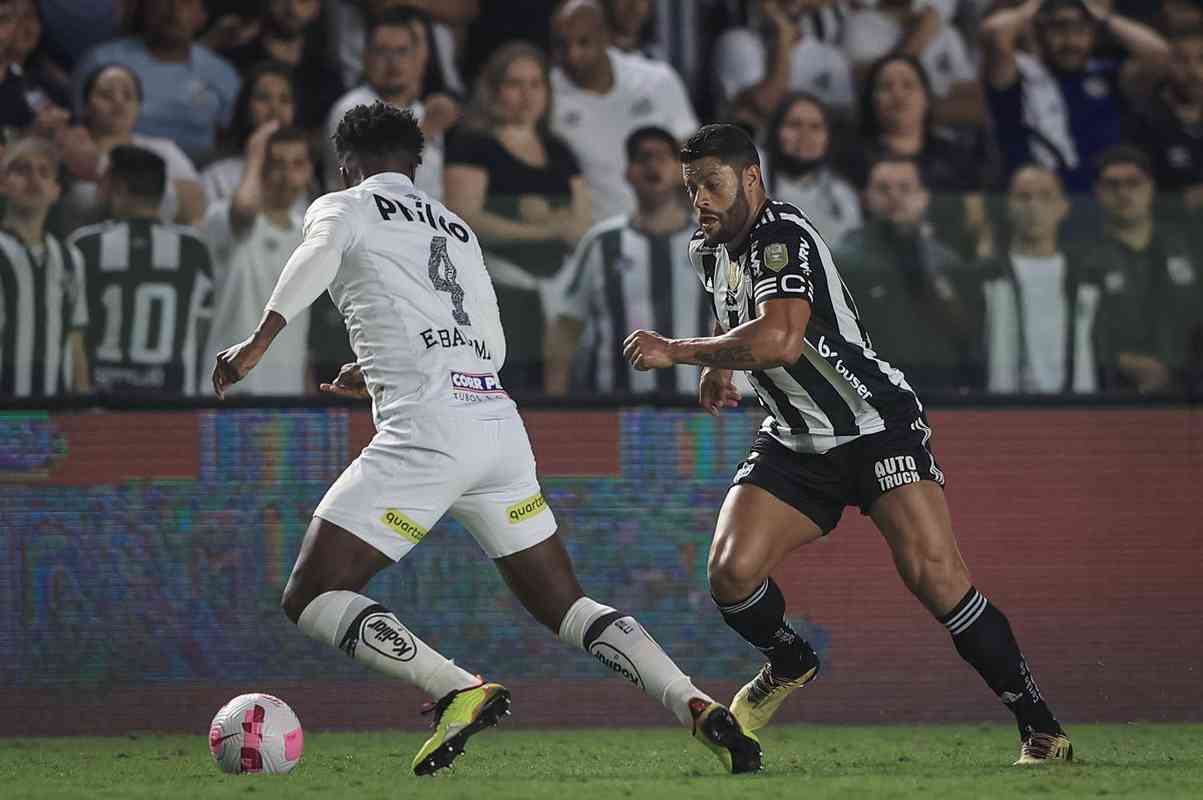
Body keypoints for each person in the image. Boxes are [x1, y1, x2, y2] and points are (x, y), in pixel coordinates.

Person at [209, 101, 761, 777]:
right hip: (498, 427)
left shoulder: (343, 204)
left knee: (312, 593)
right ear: (416, 165)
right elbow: (490, 347)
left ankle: (454, 688)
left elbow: (317, 256)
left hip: (428, 431)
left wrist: (260, 339)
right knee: (565, 603)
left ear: (345, 162)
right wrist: (380, 363)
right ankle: (693, 701)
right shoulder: (457, 229)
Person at [621, 123, 1073, 765]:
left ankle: (1042, 728)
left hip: (872, 425)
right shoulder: (708, 248)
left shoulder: (783, 237)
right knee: (730, 573)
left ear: (750, 178)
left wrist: (682, 351)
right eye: (692, 188)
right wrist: (718, 365)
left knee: (936, 578)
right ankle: (789, 659)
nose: (701, 201)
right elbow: (735, 311)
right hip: (796, 438)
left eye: (712, 185)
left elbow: (779, 339)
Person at [444, 42, 590, 392]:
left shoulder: (560, 150)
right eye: (515, 84)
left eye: (535, 84)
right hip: (500, 292)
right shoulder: (472, 144)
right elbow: (465, 218)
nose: (527, 95)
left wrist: (546, 223)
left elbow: (581, 224)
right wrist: (545, 227)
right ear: (493, 90)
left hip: (558, 291)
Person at [547, 126, 708, 395]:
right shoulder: (602, 242)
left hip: (701, 407)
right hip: (614, 407)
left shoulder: (714, 244)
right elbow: (566, 326)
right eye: (643, 158)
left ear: (682, 172)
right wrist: (554, 406)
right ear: (628, 173)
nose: (653, 165)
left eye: (663, 157)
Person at [980, 0, 1170, 194]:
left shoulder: (1107, 75)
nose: (1070, 41)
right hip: (1036, 203)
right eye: (1058, 29)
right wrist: (1037, 5)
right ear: (1038, 32)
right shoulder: (1019, 73)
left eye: (1081, 30)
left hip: (1101, 202)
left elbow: (1158, 54)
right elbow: (995, 32)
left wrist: (1102, 16)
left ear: (1094, 34)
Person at [69, 145, 214, 396]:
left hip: (100, 402)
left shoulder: (84, 245)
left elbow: (72, 334)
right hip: (175, 402)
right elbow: (202, 330)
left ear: (119, 186)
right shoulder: (194, 249)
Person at [836, 156, 979, 390]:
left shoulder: (948, 263)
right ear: (865, 199)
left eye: (905, 188)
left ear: (924, 198)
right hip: (869, 392)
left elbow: (965, 337)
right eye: (883, 189)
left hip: (941, 392)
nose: (894, 196)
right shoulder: (842, 262)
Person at [550, 0, 698, 222]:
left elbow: (694, 159)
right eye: (562, 45)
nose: (573, 55)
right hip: (601, 237)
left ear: (605, 37)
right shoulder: (546, 96)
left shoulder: (657, 80)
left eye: (583, 42)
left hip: (672, 229)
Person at [842, 53, 991, 257]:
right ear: (871, 100)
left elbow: (977, 226)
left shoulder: (957, 158)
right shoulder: (853, 159)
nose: (898, 95)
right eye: (886, 87)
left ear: (926, 98)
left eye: (908, 85)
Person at [205, 127, 315, 396]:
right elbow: (243, 208)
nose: (288, 175)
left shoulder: (311, 234)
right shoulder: (224, 220)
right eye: (276, 164)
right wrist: (254, 153)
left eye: (297, 164)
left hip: (287, 394)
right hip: (227, 392)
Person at [1087, 147, 1202, 393]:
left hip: (1191, 394)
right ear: (1097, 193)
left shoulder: (1189, 248)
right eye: (1112, 185)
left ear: (1151, 188)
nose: (1123, 193)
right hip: (1115, 393)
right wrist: (1121, 361)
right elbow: (1078, 332)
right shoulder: (1084, 257)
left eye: (1133, 183)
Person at [71, 0, 241, 164]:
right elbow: (79, 130)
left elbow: (232, 143)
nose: (173, 9)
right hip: (118, 171)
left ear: (202, 16)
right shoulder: (101, 60)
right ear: (144, 7)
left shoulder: (223, 73)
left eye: (186, 2)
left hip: (201, 175)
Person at [981, 164, 1098, 393]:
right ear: (1008, 206)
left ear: (1063, 207)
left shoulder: (1089, 276)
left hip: (1082, 408)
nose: (1033, 206)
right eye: (1023, 197)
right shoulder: (985, 276)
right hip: (1002, 409)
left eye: (1045, 196)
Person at [61, 63, 206, 229]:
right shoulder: (72, 150)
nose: (118, 101)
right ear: (85, 106)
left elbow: (195, 200)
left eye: (128, 95)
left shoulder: (163, 149)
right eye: (106, 95)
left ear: (138, 107)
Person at [324, 9, 449, 198]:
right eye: (382, 51)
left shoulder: (422, 110)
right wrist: (427, 131)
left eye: (402, 51)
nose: (393, 62)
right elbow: (369, 180)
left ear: (417, 58)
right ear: (365, 57)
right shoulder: (352, 109)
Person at [0, 137, 89, 397]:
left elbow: (75, 337)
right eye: (21, 169)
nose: (33, 179)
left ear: (55, 191)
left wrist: (84, 399)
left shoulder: (71, 257)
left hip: (54, 408)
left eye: (44, 172)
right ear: (3, 184)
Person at [712, 0, 856, 127]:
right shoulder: (737, 42)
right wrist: (783, 37)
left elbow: (843, 126)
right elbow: (766, 105)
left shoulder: (833, 58)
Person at [840, 0, 983, 125]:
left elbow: (974, 103)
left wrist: (911, 107)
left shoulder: (947, 33)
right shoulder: (858, 26)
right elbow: (868, 95)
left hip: (948, 138)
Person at [221, 0, 343, 133]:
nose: (292, 9)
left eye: (302, 1)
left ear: (316, 7)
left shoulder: (328, 74)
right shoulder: (235, 61)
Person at [762, 93, 861, 247]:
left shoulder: (842, 195)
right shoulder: (751, 177)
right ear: (776, 131)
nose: (805, 135)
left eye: (815, 127)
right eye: (794, 125)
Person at [202, 61, 299, 208]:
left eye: (284, 100)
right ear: (246, 107)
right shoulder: (218, 177)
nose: (275, 109)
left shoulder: (306, 178)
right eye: (263, 98)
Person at [1130, 26, 1203, 212]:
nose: (1194, 72)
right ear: (1166, 63)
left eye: (1202, 59)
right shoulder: (1144, 120)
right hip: (1170, 232)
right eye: (1182, 60)